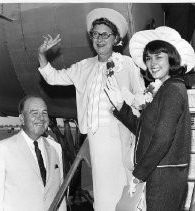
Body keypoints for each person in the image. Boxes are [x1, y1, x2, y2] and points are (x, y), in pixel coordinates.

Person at [37, 8, 145, 211]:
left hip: (121, 138)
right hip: (96, 140)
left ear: (116, 39)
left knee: (124, 191)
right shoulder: (84, 67)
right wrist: (42, 55)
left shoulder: (128, 65)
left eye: (105, 34)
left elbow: (141, 102)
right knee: (103, 195)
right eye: (95, 34)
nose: (99, 39)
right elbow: (53, 77)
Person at [104, 26, 195, 211]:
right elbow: (145, 129)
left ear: (172, 59)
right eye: (148, 57)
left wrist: (139, 174)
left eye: (158, 56)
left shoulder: (171, 90)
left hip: (163, 178)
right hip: (162, 175)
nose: (152, 62)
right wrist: (121, 106)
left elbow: (162, 138)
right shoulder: (169, 88)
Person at [0, 95, 67, 211]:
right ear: (22, 119)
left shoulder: (56, 148)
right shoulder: (1, 149)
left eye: (44, 112)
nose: (41, 118)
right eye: (34, 113)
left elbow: (60, 195)